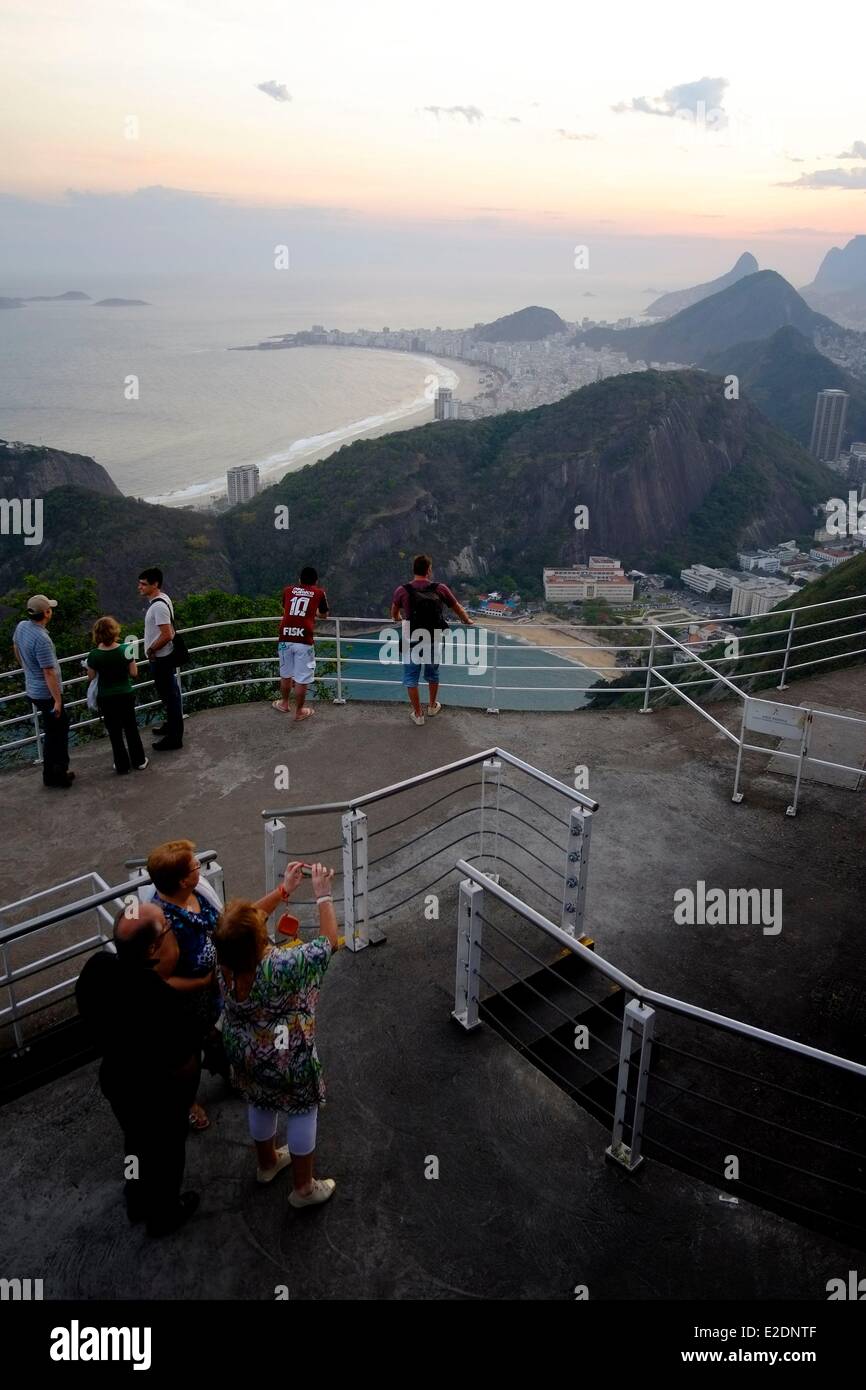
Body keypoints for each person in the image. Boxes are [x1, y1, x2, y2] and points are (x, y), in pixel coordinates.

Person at [214, 861, 339, 1207]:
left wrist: (284, 891)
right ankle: (303, 1189)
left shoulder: (222, 959)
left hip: (245, 1051)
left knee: (259, 1100)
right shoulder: (279, 965)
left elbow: (241, 925)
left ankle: (267, 1163)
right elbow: (329, 943)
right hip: (288, 1055)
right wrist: (323, 895)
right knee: (302, 1109)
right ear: (258, 940)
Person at [74, 900, 201, 1237]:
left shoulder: (97, 968)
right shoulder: (165, 1002)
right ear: (153, 947)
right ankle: (164, 1214)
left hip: (118, 1083)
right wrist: (183, 1102)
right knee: (168, 1155)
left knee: (134, 1144)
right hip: (158, 1095)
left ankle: (135, 1197)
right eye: (167, 927)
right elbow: (184, 1065)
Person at [146, 839, 224, 1131]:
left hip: (213, 993)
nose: (200, 868)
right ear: (181, 880)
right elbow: (160, 979)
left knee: (220, 1036)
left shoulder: (196, 891)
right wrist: (202, 981)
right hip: (185, 1005)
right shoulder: (163, 923)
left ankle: (229, 1074)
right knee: (187, 1057)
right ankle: (187, 1102)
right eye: (195, 866)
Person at [390, 554, 473, 726]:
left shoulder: (402, 590)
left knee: (411, 677)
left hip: (410, 638)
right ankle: (432, 706)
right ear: (428, 570)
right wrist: (466, 620)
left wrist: (398, 617)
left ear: (414, 570)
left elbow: (394, 612)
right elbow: (456, 606)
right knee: (433, 674)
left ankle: (418, 714)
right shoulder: (440, 588)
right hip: (433, 638)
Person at [12, 592, 74, 788]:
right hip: (46, 693)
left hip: (33, 688)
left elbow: (15, 646)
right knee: (58, 732)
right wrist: (57, 700)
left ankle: (52, 774)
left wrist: (26, 667)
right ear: (47, 613)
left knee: (52, 731)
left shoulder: (22, 627)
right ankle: (58, 774)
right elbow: (49, 672)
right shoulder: (42, 639)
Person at [86, 616, 147, 775]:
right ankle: (139, 761)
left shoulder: (94, 655)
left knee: (114, 732)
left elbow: (91, 677)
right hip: (125, 694)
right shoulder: (126, 649)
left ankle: (122, 765)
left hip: (106, 697)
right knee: (131, 728)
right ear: (115, 631)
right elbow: (134, 673)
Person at [273, 565, 330, 723]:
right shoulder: (319, 593)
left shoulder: (288, 590)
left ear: (299, 580)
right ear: (316, 581)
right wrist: (314, 613)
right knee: (301, 679)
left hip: (285, 637)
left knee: (285, 675)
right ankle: (299, 712)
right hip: (304, 639)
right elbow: (324, 614)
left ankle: (284, 703)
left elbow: (286, 608)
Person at [137, 567, 183, 751]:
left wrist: (151, 649)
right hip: (162, 658)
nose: (139, 587)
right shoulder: (163, 599)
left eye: (143, 584)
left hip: (161, 659)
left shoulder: (158, 606)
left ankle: (174, 738)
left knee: (171, 696)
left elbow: (167, 634)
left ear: (155, 584)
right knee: (168, 695)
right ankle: (171, 726)